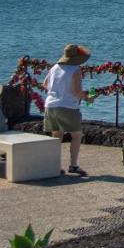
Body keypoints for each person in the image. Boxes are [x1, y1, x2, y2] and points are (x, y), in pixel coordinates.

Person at [42, 44, 92, 177]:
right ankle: (73, 165)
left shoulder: (54, 67)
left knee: (57, 135)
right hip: (68, 106)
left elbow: (45, 84)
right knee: (76, 135)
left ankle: (55, 166)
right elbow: (77, 92)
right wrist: (88, 98)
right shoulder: (75, 70)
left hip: (50, 105)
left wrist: (58, 91)